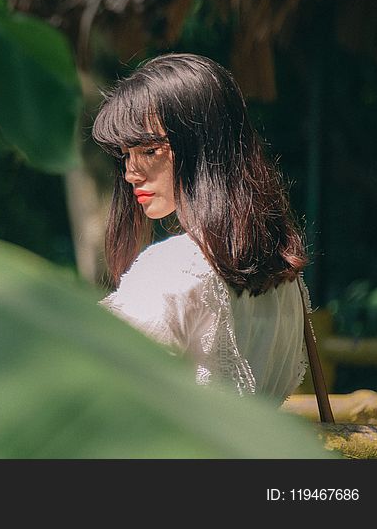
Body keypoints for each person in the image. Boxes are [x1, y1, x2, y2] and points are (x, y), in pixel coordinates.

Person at [91, 53, 310, 403]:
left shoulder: (173, 266)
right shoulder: (285, 275)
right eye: (125, 153)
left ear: (203, 145)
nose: (131, 173)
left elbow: (99, 387)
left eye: (149, 150)